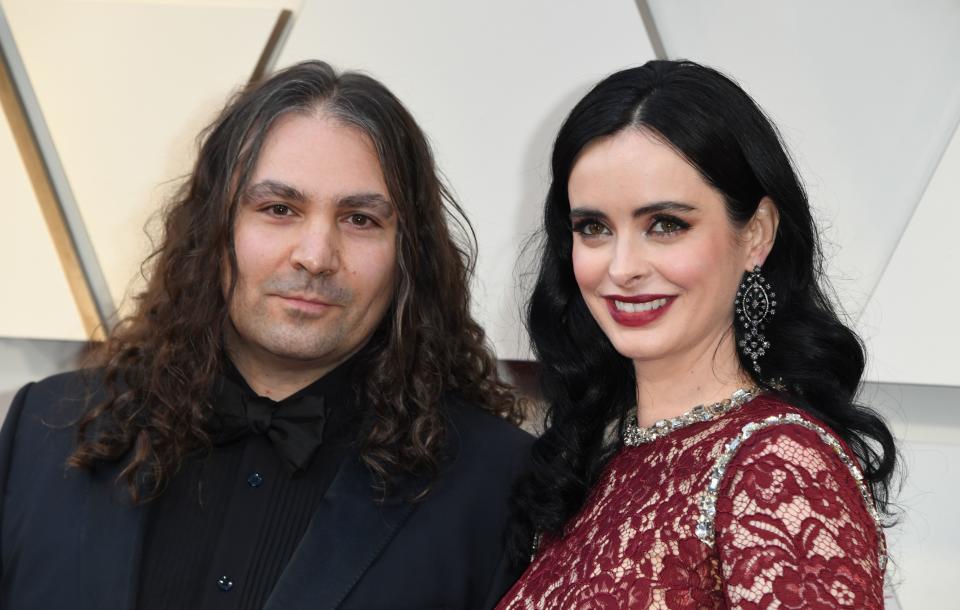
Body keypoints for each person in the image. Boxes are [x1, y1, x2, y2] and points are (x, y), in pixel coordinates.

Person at [0, 60, 532, 610]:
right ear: (213, 227)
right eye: (279, 209)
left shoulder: (497, 485)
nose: (316, 256)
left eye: (360, 220)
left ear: (409, 255)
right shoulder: (42, 431)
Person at [497, 60, 896, 609]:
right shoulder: (596, 462)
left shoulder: (779, 469)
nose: (622, 266)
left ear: (755, 235)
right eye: (594, 228)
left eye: (665, 225)